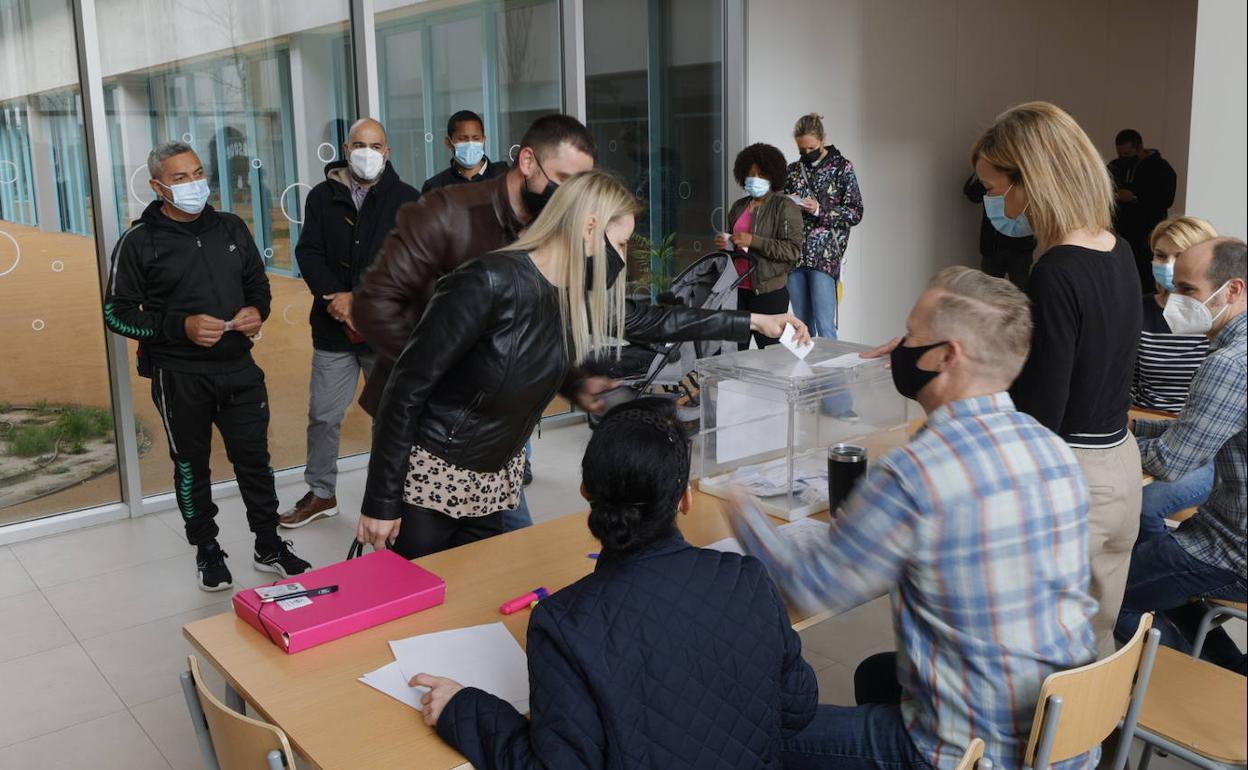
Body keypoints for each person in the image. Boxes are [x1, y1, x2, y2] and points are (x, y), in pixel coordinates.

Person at [730, 267, 1098, 770]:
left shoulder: (917, 474)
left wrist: (739, 506)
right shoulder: (1051, 448)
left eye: (909, 335)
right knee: (875, 676)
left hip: (972, 754)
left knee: (757, 735)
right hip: (1066, 737)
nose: (897, 346)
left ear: (946, 356)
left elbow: (808, 587)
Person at [356, 170, 808, 559]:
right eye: (622, 243)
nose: (624, 257)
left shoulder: (574, 293)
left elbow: (654, 319)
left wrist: (755, 320)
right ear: (589, 228)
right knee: (420, 610)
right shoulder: (486, 282)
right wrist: (381, 499)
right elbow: (404, 390)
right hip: (432, 479)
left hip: (494, 480)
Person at [410, 398, 818, 768]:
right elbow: (797, 707)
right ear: (684, 500)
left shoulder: (563, 622)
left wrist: (464, 710)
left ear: (586, 492)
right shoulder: (746, 577)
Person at [355, 113, 599, 533]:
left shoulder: (550, 227)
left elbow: (531, 328)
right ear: (527, 162)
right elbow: (374, 305)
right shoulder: (446, 211)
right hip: (426, 428)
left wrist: (576, 381)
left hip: (493, 427)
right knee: (432, 566)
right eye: (563, 178)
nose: (571, 196)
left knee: (496, 556)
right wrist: (454, 375)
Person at [103, 141, 310, 591]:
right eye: (180, 178)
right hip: (179, 378)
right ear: (158, 187)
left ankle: (269, 543)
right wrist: (181, 327)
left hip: (239, 370)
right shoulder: (138, 243)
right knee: (192, 467)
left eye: (198, 173)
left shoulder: (232, 228)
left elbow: (260, 288)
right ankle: (207, 550)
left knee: (255, 461)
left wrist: (258, 311)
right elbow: (116, 314)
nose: (194, 184)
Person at [974, 102, 1142, 656]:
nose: (994, 204)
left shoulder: (1057, 270)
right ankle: (1088, 744)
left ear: (1032, 180)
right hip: (1119, 463)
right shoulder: (1116, 249)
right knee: (1091, 647)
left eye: (995, 189)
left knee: (1038, 655)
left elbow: (1041, 413)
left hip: (1072, 476)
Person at [280, 118, 420, 529]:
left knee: (389, 416)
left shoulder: (407, 199)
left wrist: (360, 300)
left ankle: (390, 496)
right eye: (360, 144)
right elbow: (309, 253)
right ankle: (321, 493)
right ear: (345, 148)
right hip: (332, 329)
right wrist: (337, 300)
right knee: (323, 414)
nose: (367, 153)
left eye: (376, 146)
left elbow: (411, 265)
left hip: (385, 332)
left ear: (387, 152)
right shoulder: (323, 197)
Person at [1117, 237, 1247, 673]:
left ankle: (1208, 679)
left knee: (1106, 592)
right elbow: (1206, 429)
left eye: (1189, 290)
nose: (1175, 301)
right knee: (1157, 578)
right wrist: (1135, 427)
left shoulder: (1231, 363)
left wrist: (1104, 442)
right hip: (1226, 531)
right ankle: (1225, 666)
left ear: (1232, 289)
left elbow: (1172, 462)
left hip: (1231, 548)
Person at [1132, 216, 1217, 539]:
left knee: (1144, 506)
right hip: (1145, 429)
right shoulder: (1138, 310)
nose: (1168, 265)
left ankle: (1160, 576)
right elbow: (1126, 382)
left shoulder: (1219, 317)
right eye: (1160, 255)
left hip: (1205, 448)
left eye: (1178, 256)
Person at [783, 113, 864, 340]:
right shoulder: (793, 170)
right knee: (802, 327)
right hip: (795, 256)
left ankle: (831, 376)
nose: (807, 154)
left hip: (825, 258)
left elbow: (856, 212)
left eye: (811, 148)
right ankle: (806, 375)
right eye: (802, 150)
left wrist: (819, 210)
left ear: (823, 139)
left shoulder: (842, 167)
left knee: (826, 327)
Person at [715, 142, 804, 350]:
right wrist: (725, 244)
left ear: (773, 176)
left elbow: (792, 251)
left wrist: (752, 240)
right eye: (750, 174)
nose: (754, 179)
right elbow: (735, 246)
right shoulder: (738, 207)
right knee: (733, 355)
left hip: (768, 293)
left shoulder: (785, 206)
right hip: (737, 291)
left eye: (761, 174)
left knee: (774, 358)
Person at [1108, 129, 1178, 293]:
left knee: (1146, 281)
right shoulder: (1114, 167)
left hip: (1148, 236)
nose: (1123, 158)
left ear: (1140, 148)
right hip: (1120, 236)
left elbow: (1166, 199)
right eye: (1120, 154)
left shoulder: (1161, 168)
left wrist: (1135, 197)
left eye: (1127, 153)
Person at [962, 173, 1036, 290]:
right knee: (989, 294)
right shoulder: (991, 174)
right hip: (992, 245)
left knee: (1021, 293)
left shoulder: (1026, 174)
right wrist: (982, 170)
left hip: (1020, 246)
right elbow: (973, 195)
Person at [421, 109, 509, 193]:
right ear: (448, 142)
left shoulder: (504, 176)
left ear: (483, 140)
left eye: (476, 138)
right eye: (463, 139)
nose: (470, 144)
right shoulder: (436, 187)